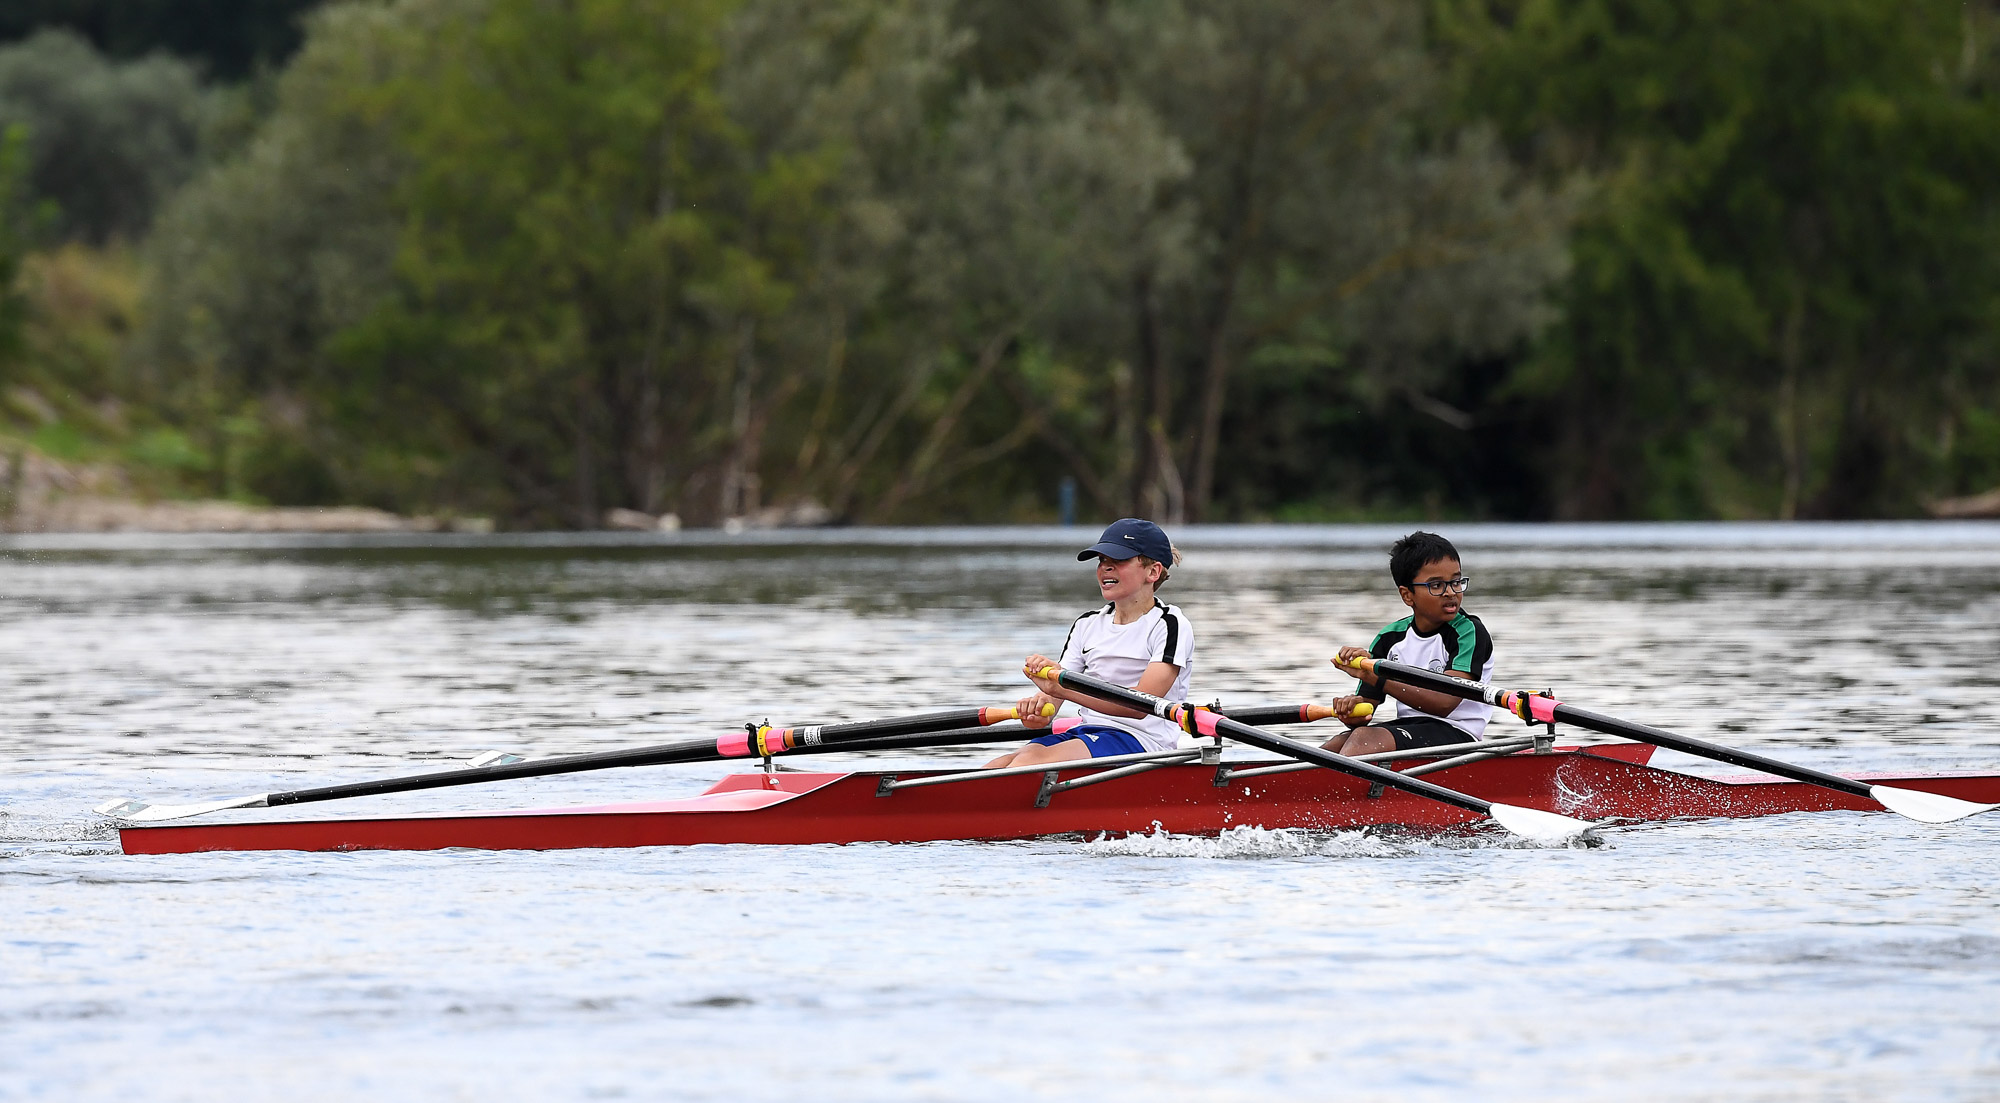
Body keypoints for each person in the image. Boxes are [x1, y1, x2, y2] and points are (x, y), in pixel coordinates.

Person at [985, 518, 1194, 768]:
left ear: (1153, 571)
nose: (1106, 567)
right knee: (998, 765)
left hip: (1143, 743)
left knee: (1028, 762)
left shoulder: (1170, 624)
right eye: (1102, 561)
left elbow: (1140, 705)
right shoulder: (1087, 624)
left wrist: (1058, 687)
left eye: (1119, 560)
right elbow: (1053, 700)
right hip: (1088, 732)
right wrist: (1039, 710)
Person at [1324, 531, 1492, 756]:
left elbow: (1444, 703)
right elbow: (1365, 712)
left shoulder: (1468, 632)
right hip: (1411, 729)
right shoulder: (1389, 637)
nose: (1450, 592)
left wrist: (1377, 676)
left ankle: (1331, 789)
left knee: (1364, 739)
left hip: (1458, 734)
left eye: (1455, 581)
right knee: (1335, 745)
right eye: (1436, 585)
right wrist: (1349, 711)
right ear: (1407, 595)